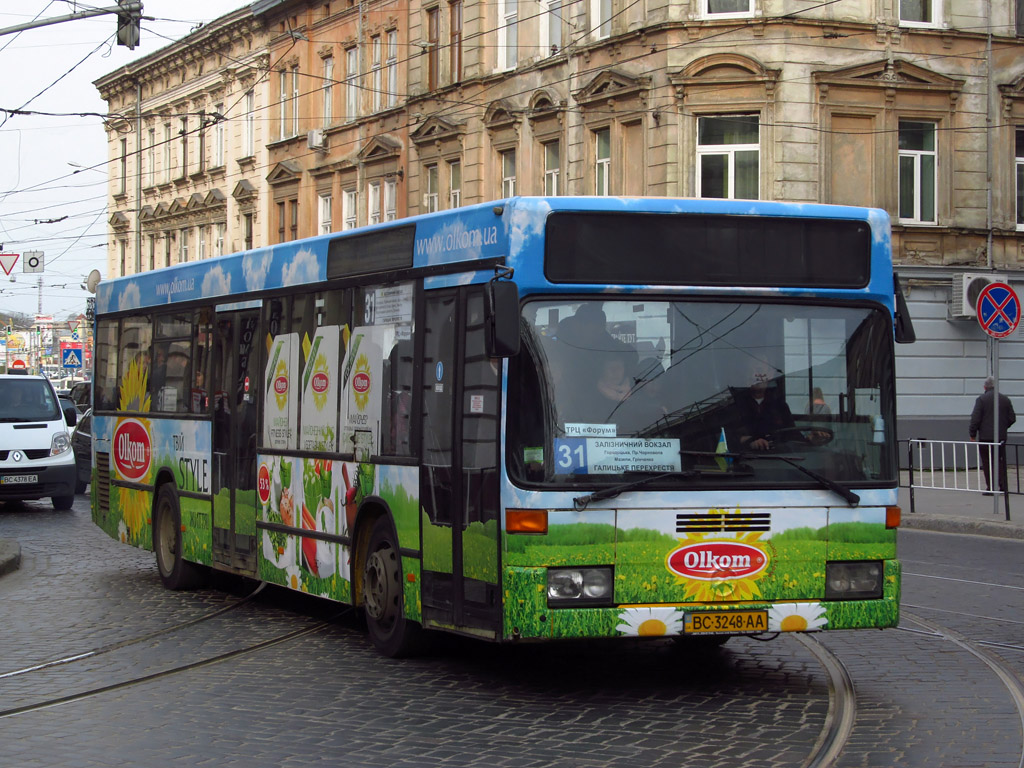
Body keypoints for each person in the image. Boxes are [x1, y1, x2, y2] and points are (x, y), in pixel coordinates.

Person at [969, 376, 1016, 494]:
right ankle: (1003, 485)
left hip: (985, 437)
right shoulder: (1005, 399)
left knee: (987, 462)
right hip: (1001, 437)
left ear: (985, 387)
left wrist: (972, 434)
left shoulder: (981, 399)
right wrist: (1003, 427)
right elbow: (1012, 418)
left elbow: (975, 419)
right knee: (1000, 461)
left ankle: (991, 487)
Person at [736, 365, 794, 451]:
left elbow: (792, 435)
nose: (754, 375)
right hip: (743, 459)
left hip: (780, 459)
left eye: (759, 370)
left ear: (770, 375)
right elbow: (727, 437)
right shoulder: (735, 405)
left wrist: (811, 439)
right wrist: (749, 441)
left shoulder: (780, 406)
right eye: (750, 371)